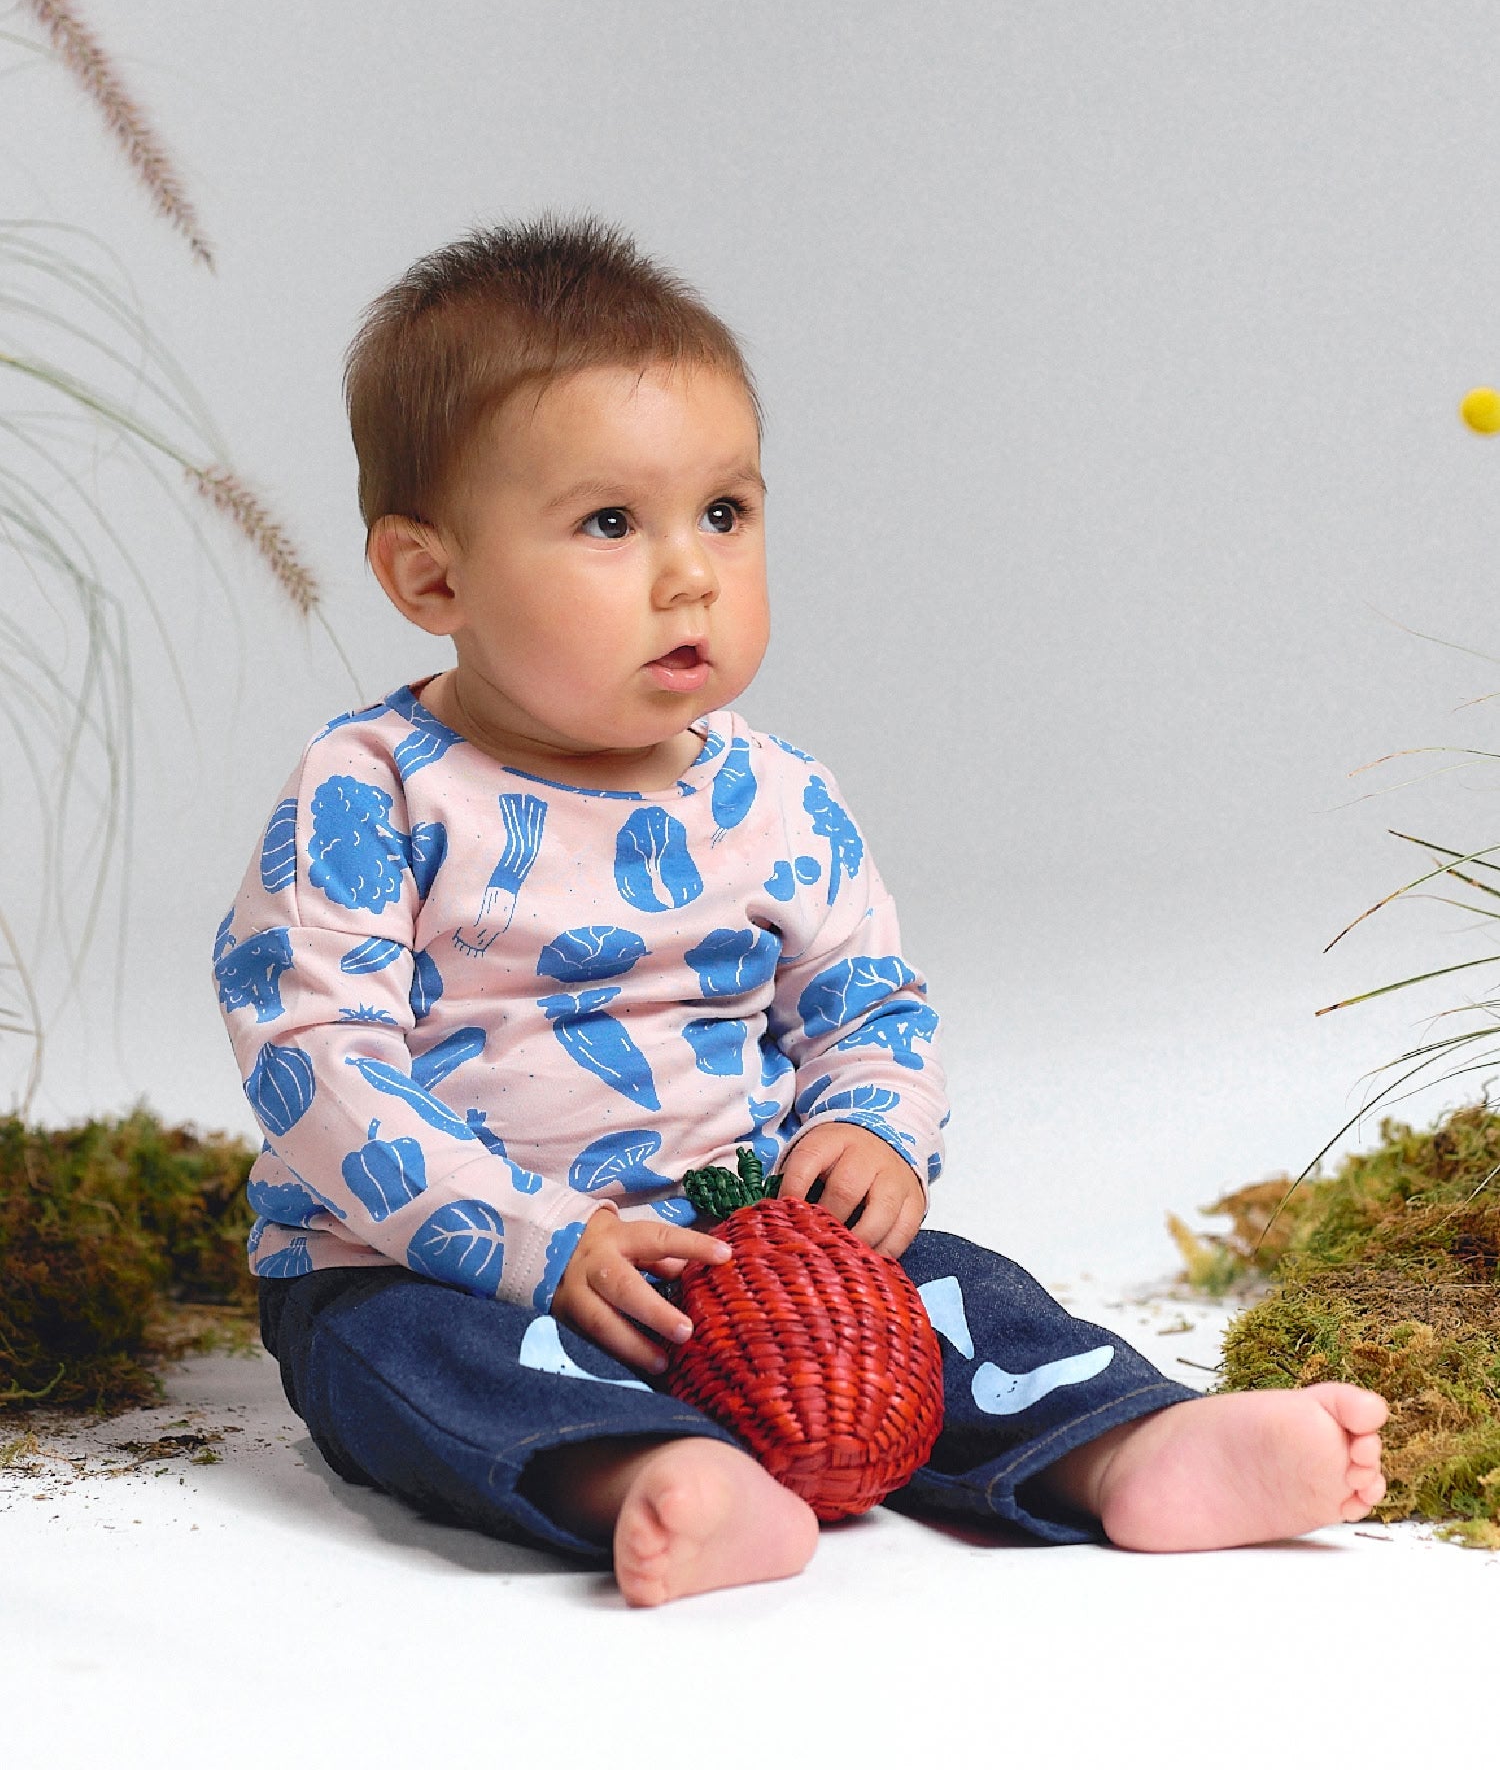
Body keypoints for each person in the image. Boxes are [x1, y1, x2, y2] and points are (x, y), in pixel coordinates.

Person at [214, 216, 1388, 1607]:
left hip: (743, 1240)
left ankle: (1125, 1447)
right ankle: (647, 1477)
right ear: (433, 577)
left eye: (724, 512)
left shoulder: (775, 795)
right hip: (440, 1259)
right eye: (609, 524)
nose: (690, 574)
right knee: (422, 1367)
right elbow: (318, 1062)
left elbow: (868, 1006)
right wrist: (535, 1242)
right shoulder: (373, 792)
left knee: (954, 1297)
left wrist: (872, 1130)